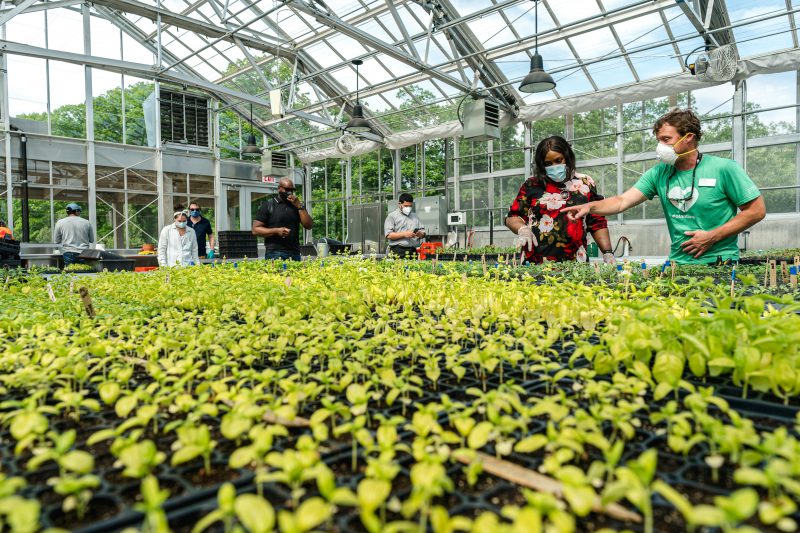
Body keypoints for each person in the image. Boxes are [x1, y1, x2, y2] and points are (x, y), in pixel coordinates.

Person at [563, 109, 766, 264]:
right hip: (678, 262)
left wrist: (712, 236)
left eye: (666, 139)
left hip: (720, 261)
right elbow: (622, 201)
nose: (660, 146)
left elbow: (756, 211)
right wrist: (590, 207)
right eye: (658, 140)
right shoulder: (659, 173)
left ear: (689, 138)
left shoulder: (724, 168)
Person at [505, 136, 615, 264]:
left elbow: (596, 221)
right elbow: (512, 216)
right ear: (541, 164)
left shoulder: (585, 183)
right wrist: (522, 229)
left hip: (575, 260)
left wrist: (607, 253)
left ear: (567, 157)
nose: (554, 166)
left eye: (558, 160)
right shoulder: (532, 185)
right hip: (536, 261)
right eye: (548, 163)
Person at [252, 178, 313, 261]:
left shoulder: (297, 206)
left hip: (294, 252)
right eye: (287, 189)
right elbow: (255, 230)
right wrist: (276, 231)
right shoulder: (268, 205)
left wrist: (299, 206)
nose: (290, 192)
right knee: (277, 274)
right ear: (279, 188)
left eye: (292, 190)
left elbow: (308, 225)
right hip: (275, 252)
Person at [384, 193, 426, 258]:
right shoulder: (392, 216)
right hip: (397, 250)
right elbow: (388, 235)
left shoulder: (415, 216)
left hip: (413, 251)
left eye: (410, 206)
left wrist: (420, 234)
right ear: (399, 204)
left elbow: (423, 232)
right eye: (406, 206)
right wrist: (404, 234)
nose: (408, 208)